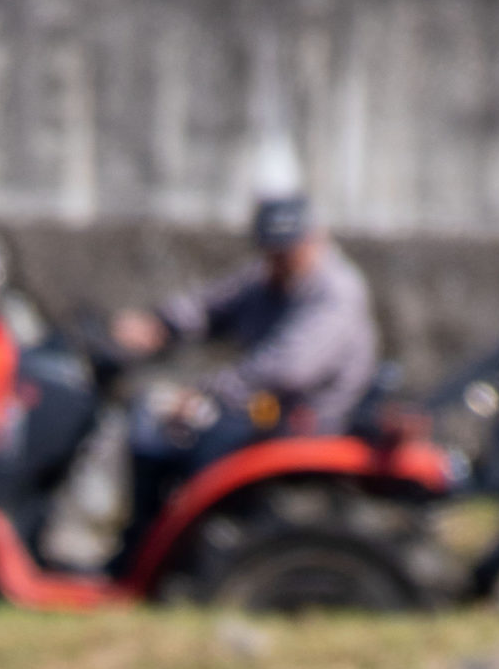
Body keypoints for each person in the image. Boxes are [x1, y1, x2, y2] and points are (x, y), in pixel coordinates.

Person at [108, 193, 380, 556]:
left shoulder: (335, 291)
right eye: (272, 251)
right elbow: (211, 305)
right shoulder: (269, 276)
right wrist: (161, 325)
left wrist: (207, 391)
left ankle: (184, 554)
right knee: (155, 426)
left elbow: (289, 369)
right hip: (262, 409)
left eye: (289, 249)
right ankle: (142, 545)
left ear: (316, 236)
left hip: (308, 419)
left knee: (199, 447)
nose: (279, 259)